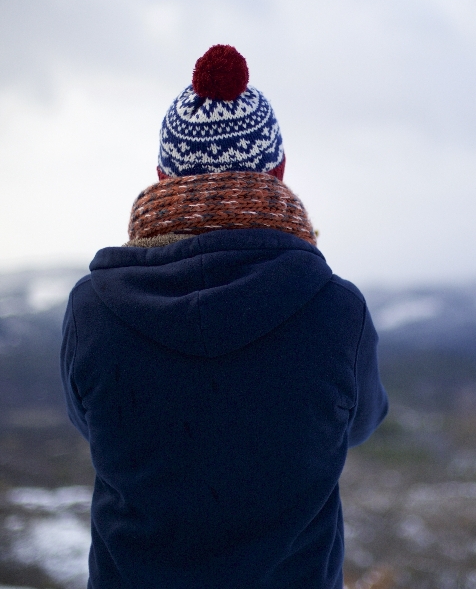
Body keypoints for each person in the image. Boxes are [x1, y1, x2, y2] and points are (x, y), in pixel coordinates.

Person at [60, 45, 388, 588]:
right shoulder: (337, 311)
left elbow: (88, 422)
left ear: (163, 175)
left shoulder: (92, 309)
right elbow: (359, 423)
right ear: (278, 172)